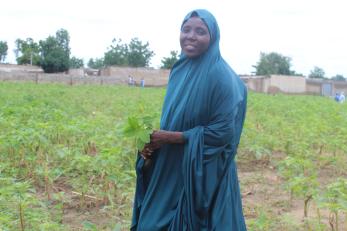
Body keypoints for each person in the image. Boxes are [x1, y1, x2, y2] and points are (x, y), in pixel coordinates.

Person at [131, 9, 247, 231]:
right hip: (168, 165)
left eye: (200, 31)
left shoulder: (222, 77)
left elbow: (223, 133)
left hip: (199, 169)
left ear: (213, 38)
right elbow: (174, 117)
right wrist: (153, 142)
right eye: (186, 29)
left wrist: (170, 137)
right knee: (151, 223)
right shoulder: (179, 70)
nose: (191, 36)